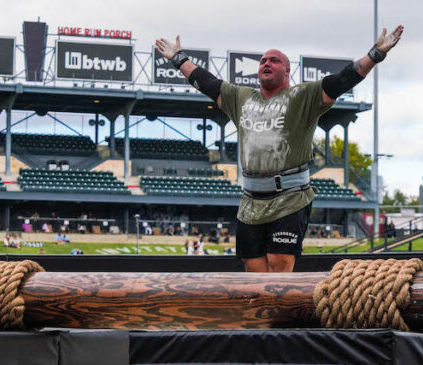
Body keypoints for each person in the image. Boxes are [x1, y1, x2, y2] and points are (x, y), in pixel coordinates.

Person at [156, 25, 403, 272]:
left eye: (274, 60)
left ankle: (281, 310)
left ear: (287, 71)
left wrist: (376, 54)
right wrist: (178, 59)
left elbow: (342, 80)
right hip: (251, 200)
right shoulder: (241, 97)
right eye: (263, 60)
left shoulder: (303, 96)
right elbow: (207, 83)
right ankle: (265, 311)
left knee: (279, 263)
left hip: (290, 197)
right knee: (254, 271)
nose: (266, 63)